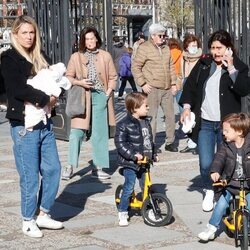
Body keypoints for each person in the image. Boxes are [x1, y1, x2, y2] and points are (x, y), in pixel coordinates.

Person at [0, 15, 63, 238]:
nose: (29, 36)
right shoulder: (9, 58)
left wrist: (56, 93)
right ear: (15, 35)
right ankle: (28, 219)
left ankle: (43, 213)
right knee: (29, 175)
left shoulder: (40, 56)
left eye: (32, 32)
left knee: (53, 168)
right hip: (24, 124)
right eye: (24, 32)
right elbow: (17, 89)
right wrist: (46, 98)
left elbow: (57, 78)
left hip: (44, 123)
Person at [179, 30, 250, 212]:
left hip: (226, 125)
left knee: (226, 162)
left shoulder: (238, 66)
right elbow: (190, 87)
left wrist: (231, 68)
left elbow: (243, 89)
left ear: (229, 48)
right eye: (213, 48)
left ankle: (222, 194)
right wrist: (186, 107)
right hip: (205, 123)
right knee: (205, 163)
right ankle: (208, 189)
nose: (216, 52)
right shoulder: (204, 64)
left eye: (220, 48)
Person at [61, 27, 117, 180]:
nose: (90, 42)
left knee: (100, 133)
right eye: (87, 39)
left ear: (97, 39)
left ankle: (98, 167)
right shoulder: (76, 57)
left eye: (92, 38)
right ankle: (70, 165)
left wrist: (108, 92)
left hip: (100, 96)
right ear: (83, 41)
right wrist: (80, 82)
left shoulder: (105, 56)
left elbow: (113, 76)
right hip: (82, 97)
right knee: (76, 133)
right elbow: (68, 77)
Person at [198, 112, 250, 242]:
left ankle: (247, 225)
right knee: (221, 204)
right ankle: (211, 228)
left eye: (226, 131)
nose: (223, 133)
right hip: (230, 184)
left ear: (239, 131)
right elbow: (218, 159)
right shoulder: (225, 146)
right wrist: (215, 171)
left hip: (248, 185)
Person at [132, 23, 180, 152]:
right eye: (160, 35)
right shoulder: (144, 48)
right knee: (151, 117)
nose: (163, 38)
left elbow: (171, 67)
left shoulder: (165, 49)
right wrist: (143, 83)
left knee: (170, 116)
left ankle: (170, 142)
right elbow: (136, 67)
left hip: (166, 88)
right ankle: (151, 144)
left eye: (164, 35)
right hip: (152, 88)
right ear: (152, 36)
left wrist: (174, 83)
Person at [114, 92, 158, 226]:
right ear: (135, 108)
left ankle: (150, 209)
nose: (148, 108)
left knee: (147, 187)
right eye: (145, 106)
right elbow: (120, 143)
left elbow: (149, 141)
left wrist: (153, 153)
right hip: (130, 163)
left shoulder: (146, 122)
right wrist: (133, 155)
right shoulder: (123, 124)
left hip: (145, 161)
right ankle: (122, 211)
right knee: (129, 186)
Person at [25, 62, 71, 130]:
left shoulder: (44, 61)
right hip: (31, 114)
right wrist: (49, 99)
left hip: (46, 118)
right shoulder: (45, 74)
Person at [178, 34, 202, 155]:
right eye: (191, 45)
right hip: (184, 87)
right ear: (186, 46)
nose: (194, 47)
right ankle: (191, 141)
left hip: (196, 88)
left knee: (195, 115)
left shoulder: (201, 58)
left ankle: (194, 142)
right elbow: (180, 73)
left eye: (195, 45)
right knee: (186, 117)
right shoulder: (183, 57)